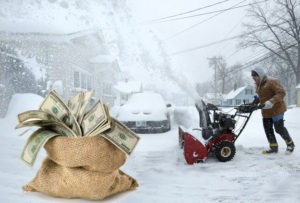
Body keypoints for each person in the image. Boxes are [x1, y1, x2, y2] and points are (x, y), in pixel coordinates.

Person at [251, 67, 295, 154]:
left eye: (255, 76)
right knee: (268, 129)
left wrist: (271, 101)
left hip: (276, 109)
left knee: (279, 128)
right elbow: (262, 98)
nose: (254, 79)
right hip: (266, 111)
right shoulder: (258, 85)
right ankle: (273, 147)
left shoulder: (271, 81)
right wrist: (253, 103)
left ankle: (290, 144)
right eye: (253, 77)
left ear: (260, 75)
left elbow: (281, 93)